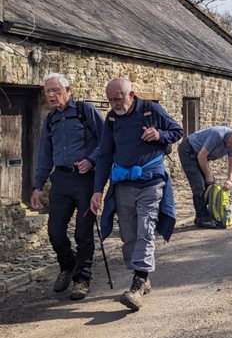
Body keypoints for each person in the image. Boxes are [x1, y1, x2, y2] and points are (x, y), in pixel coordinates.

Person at [89, 78, 183, 312]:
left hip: (151, 182)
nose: (114, 104)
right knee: (128, 233)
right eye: (110, 100)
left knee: (145, 228)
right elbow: (105, 154)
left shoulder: (152, 110)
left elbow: (177, 131)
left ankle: (138, 283)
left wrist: (159, 134)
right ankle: (142, 273)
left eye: (117, 99)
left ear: (131, 95)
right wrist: (98, 190)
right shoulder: (111, 119)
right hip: (123, 184)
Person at [30, 73, 104, 300]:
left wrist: (91, 160)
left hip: (85, 180)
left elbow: (106, 141)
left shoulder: (85, 111)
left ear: (68, 90)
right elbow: (45, 155)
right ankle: (68, 264)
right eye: (47, 92)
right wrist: (37, 186)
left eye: (55, 90)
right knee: (55, 232)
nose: (51, 95)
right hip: (60, 181)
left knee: (83, 233)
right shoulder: (50, 120)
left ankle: (82, 279)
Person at [178, 126, 232, 229]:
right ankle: (202, 219)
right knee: (199, 185)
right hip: (188, 151)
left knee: (208, 186)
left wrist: (230, 179)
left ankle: (203, 215)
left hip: (201, 156)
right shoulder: (218, 135)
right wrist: (208, 175)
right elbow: (202, 156)